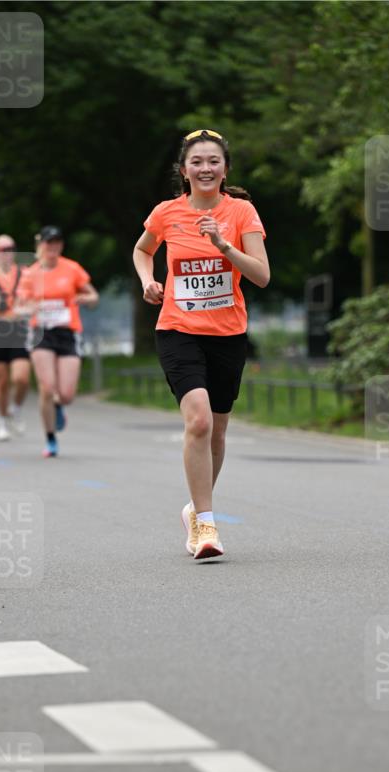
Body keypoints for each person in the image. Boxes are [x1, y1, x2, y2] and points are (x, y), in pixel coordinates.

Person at [133, 128, 269, 560]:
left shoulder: (241, 212)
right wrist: (148, 281)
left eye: (213, 161)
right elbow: (141, 250)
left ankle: (195, 506)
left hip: (227, 334)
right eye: (197, 162)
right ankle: (206, 528)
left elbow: (262, 276)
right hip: (177, 329)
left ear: (225, 169)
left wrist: (222, 244)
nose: (206, 168)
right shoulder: (166, 213)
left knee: (218, 431)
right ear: (184, 170)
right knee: (199, 421)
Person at [18, 226, 98, 457]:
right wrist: (29, 307)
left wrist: (85, 298)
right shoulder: (30, 274)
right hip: (40, 333)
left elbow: (93, 296)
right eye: (48, 243)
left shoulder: (71, 268)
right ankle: (50, 438)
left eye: (56, 243)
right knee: (47, 387)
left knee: (66, 394)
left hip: (67, 333)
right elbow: (19, 306)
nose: (52, 247)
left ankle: (59, 406)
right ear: (39, 245)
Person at [0, 234, 30, 440]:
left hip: (18, 327)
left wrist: (27, 308)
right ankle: (2, 421)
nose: (8, 253)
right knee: (1, 382)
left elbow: (36, 296)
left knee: (21, 378)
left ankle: (16, 408)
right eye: (3, 249)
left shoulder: (25, 274)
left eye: (11, 248)